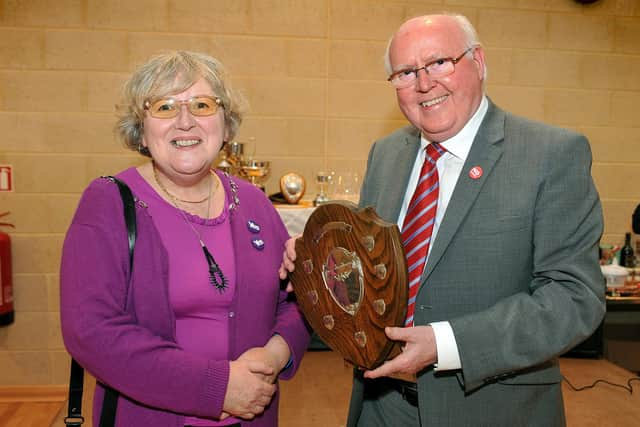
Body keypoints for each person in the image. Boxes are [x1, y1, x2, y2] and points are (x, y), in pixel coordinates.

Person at [280, 13, 605, 426]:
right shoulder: (386, 155)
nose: (424, 83)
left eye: (439, 63)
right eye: (405, 72)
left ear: (479, 62)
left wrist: (447, 343)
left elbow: (574, 298)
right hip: (381, 405)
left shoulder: (551, 155)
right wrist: (320, 262)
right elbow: (372, 270)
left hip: (489, 408)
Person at [60, 51, 310, 427]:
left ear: (226, 126)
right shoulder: (108, 202)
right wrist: (218, 387)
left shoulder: (255, 203)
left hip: (253, 416)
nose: (185, 121)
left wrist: (275, 355)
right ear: (141, 129)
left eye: (202, 104)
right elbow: (91, 331)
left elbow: (297, 299)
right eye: (164, 106)